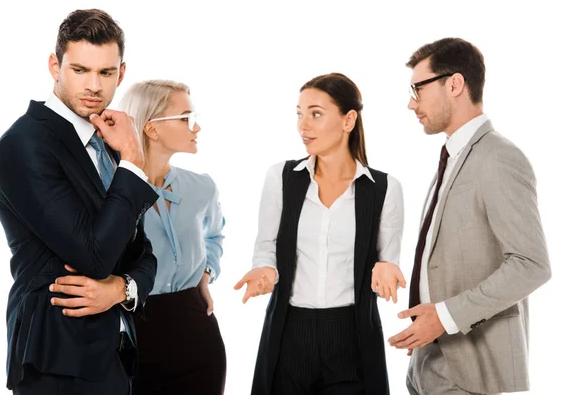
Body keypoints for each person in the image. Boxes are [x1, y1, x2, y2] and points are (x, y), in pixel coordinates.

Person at [0, 9, 159, 395]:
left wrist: (122, 290)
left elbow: (144, 253)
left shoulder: (109, 144)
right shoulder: (25, 145)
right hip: (55, 360)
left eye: (106, 73)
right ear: (55, 65)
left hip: (114, 356)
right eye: (80, 70)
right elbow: (94, 257)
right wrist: (133, 160)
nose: (93, 86)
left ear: (122, 72)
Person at [388, 37, 551, 395]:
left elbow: (531, 263)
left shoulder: (499, 158)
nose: (410, 103)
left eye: (417, 88)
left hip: (473, 371)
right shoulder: (451, 157)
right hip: (427, 363)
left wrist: (444, 317)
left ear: (455, 84)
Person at [235, 72, 405, 394]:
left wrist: (386, 268)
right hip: (290, 331)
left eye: (315, 114)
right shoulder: (282, 177)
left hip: (352, 334)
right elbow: (266, 244)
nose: (303, 126)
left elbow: (386, 264)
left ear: (348, 119)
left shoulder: (384, 189)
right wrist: (266, 269)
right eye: (299, 114)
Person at [119, 80, 227, 394]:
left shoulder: (202, 187)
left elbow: (215, 236)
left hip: (196, 326)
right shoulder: (111, 191)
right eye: (185, 118)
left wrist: (206, 274)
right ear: (151, 129)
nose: (197, 127)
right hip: (134, 326)